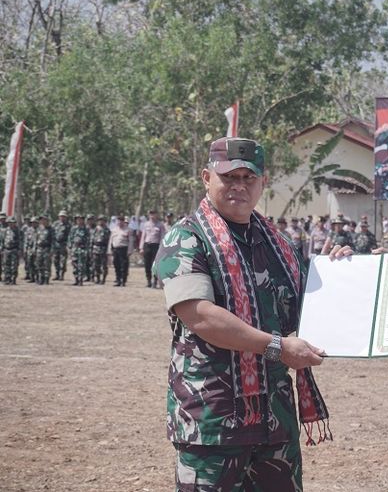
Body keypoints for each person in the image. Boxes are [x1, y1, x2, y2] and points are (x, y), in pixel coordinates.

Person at [153, 136, 332, 491]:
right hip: (213, 422)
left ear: (262, 182)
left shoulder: (278, 244)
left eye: (248, 178)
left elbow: (306, 308)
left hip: (275, 420)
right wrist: (277, 347)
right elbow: (201, 316)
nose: (239, 186)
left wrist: (338, 271)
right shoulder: (186, 239)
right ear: (207, 178)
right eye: (228, 177)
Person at [139, 209, 166, 288]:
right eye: (150, 214)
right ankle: (148, 281)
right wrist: (141, 247)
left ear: (156, 214)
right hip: (147, 245)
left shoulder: (160, 224)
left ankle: (155, 281)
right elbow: (143, 236)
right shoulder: (146, 224)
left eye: (153, 213)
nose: (152, 215)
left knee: (155, 265)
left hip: (156, 246)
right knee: (147, 264)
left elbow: (162, 236)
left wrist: (162, 247)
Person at [110, 215, 134, 287]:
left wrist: (130, 250)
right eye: (118, 221)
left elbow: (131, 241)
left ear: (124, 221)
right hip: (115, 249)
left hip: (124, 249)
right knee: (116, 264)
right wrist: (109, 250)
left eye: (121, 221)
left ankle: (123, 280)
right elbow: (111, 241)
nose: (119, 222)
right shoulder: (114, 230)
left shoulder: (128, 230)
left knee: (124, 265)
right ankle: (118, 280)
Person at [68, 214, 90, 286]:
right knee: (75, 265)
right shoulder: (73, 229)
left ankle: (81, 280)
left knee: (81, 265)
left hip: (82, 248)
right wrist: (70, 248)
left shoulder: (86, 229)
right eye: (77, 219)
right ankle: (76, 279)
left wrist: (87, 249)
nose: (79, 221)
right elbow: (70, 239)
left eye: (80, 219)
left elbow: (88, 240)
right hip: (75, 248)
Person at [52, 209, 71, 280]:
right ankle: (57, 274)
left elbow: (70, 236)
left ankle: (61, 275)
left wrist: (68, 245)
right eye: (61, 216)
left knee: (63, 261)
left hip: (63, 244)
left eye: (63, 216)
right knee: (55, 260)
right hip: (56, 244)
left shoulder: (68, 225)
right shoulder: (55, 224)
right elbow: (52, 233)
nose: (62, 218)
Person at [34, 214, 53, 285]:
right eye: (41, 220)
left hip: (47, 249)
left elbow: (53, 241)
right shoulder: (38, 229)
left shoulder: (51, 229)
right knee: (39, 264)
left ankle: (46, 279)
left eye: (44, 220)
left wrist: (51, 250)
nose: (43, 221)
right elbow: (35, 239)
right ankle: (40, 278)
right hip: (39, 249)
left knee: (46, 265)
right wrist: (34, 248)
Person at [91, 215, 111, 284]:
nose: (101, 221)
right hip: (96, 248)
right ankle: (98, 278)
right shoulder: (95, 229)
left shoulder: (107, 230)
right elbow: (92, 239)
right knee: (96, 265)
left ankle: (103, 279)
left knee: (104, 265)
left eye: (102, 220)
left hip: (104, 249)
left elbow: (109, 240)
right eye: (99, 220)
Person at [2, 217, 21, 284]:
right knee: (6, 265)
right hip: (6, 250)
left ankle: (13, 279)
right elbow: (3, 240)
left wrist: (19, 250)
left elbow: (20, 241)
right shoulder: (6, 230)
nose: (11, 224)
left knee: (14, 265)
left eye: (12, 223)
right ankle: (7, 278)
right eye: (9, 223)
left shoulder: (17, 231)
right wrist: (2, 249)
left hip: (14, 250)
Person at [23, 216, 38, 282]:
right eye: (32, 223)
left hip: (37, 250)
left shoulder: (40, 230)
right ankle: (32, 277)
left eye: (35, 222)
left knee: (37, 264)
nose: (34, 224)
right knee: (30, 263)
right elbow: (26, 240)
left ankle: (38, 277)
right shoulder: (29, 230)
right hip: (29, 249)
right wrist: (25, 249)